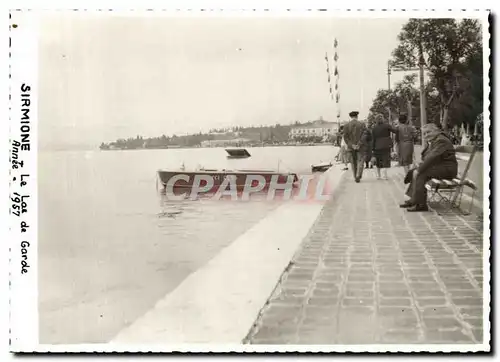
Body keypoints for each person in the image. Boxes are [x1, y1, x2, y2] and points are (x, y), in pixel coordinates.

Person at [400, 123, 458, 212]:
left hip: (448, 170)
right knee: (416, 171)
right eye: (424, 133)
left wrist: (419, 169)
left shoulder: (441, 140)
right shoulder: (434, 140)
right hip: (440, 168)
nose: (426, 135)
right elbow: (428, 156)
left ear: (436, 131)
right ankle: (414, 200)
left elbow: (433, 156)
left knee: (421, 173)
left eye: (428, 132)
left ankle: (421, 205)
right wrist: (419, 165)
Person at [343, 111, 368, 183]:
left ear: (350, 117)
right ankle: (358, 175)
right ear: (357, 116)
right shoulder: (362, 124)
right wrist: (359, 144)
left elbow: (345, 137)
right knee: (360, 161)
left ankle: (355, 176)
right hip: (361, 147)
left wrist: (352, 145)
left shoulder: (346, 125)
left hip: (351, 148)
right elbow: (365, 135)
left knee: (353, 162)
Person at [371, 114, 396, 180]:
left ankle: (378, 176)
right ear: (383, 119)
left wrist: (372, 148)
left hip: (377, 146)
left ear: (376, 120)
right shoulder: (387, 126)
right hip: (386, 145)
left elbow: (373, 139)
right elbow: (395, 131)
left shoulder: (374, 128)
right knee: (386, 159)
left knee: (378, 161)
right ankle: (385, 175)